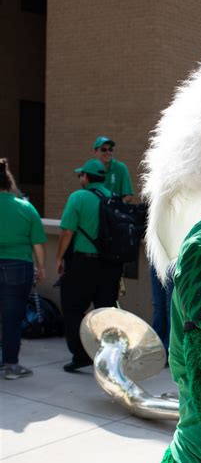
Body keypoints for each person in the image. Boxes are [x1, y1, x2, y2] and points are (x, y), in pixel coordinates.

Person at [56, 159, 123, 372]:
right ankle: (109, 358)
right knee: (106, 310)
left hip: (84, 262)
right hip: (111, 265)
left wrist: (59, 258)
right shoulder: (113, 197)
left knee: (73, 308)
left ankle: (80, 355)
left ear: (85, 177)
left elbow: (67, 231)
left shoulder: (78, 197)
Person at [0, 158, 46, 380]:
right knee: (12, 318)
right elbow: (38, 243)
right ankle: (11, 365)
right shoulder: (25, 208)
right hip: (18, 267)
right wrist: (41, 268)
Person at [93, 136, 134, 202]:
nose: (108, 152)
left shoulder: (121, 168)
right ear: (96, 151)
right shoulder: (92, 169)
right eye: (104, 149)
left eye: (110, 149)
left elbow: (128, 196)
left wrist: (114, 206)